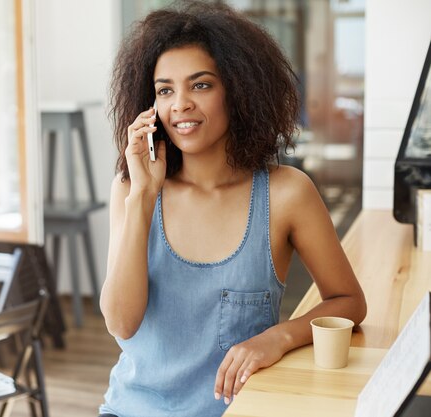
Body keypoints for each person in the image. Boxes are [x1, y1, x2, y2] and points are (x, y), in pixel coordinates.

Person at [98, 2, 367, 417]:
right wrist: (142, 198)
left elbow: (348, 300)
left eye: (201, 85)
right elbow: (121, 323)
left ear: (238, 90)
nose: (180, 104)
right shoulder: (131, 190)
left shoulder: (286, 193)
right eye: (165, 90)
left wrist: (278, 337)